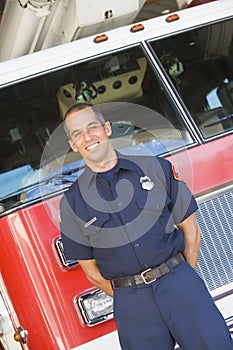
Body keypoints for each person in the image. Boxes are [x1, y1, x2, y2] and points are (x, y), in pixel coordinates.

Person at [60, 103, 233, 350]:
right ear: (73, 145)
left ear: (106, 129)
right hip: (133, 306)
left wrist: (182, 276)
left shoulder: (156, 168)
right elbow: (92, 272)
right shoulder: (72, 204)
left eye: (92, 127)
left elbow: (191, 231)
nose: (87, 137)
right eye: (77, 134)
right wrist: (130, 293)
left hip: (179, 284)